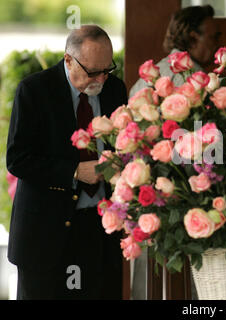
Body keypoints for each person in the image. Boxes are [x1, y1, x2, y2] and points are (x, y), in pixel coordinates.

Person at [7, 25, 128, 300]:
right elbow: (17, 159)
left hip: (99, 232)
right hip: (45, 234)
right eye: (92, 71)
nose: (101, 78)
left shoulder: (115, 89)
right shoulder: (34, 90)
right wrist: (74, 171)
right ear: (68, 60)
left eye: (107, 70)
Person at [129, 5, 220, 300]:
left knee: (150, 284)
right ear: (193, 35)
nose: (216, 43)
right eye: (213, 35)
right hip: (187, 195)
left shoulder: (148, 77)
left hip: (147, 198)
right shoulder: (197, 80)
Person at [129, 4, 220, 96]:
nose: (218, 44)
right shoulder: (197, 79)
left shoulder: (156, 70)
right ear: (193, 38)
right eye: (213, 38)